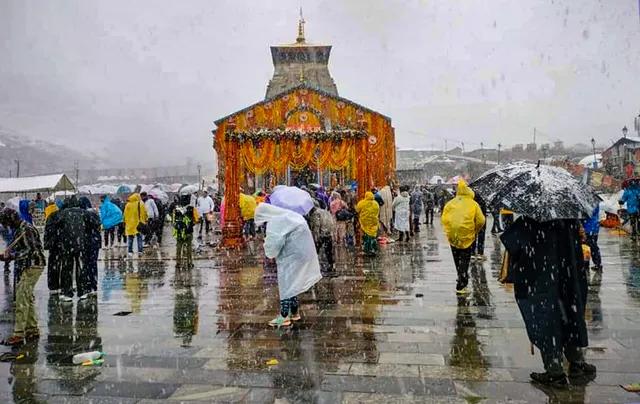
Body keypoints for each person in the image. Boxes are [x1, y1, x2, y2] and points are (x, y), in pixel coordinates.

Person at [501, 217, 595, 387]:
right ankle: (577, 363)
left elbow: (511, 242)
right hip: (568, 279)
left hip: (541, 280)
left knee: (547, 322)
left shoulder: (529, 222)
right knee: (570, 317)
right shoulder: (570, 221)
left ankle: (555, 372)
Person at [255, 203, 322, 327]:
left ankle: (284, 316)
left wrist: (268, 250)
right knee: (293, 283)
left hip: (289, 256)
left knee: (286, 285)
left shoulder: (275, 221)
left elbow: (275, 242)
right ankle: (295, 312)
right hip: (301, 254)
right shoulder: (288, 216)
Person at [0, 208, 46, 345]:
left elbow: (30, 250)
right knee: (27, 296)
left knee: (21, 297)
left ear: (12, 220)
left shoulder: (26, 230)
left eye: (7, 223)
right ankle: (32, 329)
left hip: (33, 265)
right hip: (30, 265)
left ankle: (19, 334)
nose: (7, 227)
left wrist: (12, 256)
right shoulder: (22, 228)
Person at [442, 181, 486, 294]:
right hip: (467, 235)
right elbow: (481, 220)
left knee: (456, 256)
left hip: (453, 235)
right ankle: (461, 284)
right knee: (464, 258)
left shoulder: (450, 203)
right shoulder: (473, 204)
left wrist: (449, 230)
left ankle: (460, 276)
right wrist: (475, 230)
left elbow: (444, 218)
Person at [308, 201, 336, 272]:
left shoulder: (315, 213)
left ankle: (313, 267)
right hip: (328, 234)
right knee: (328, 251)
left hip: (321, 234)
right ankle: (331, 265)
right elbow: (331, 222)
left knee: (315, 251)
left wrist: (316, 236)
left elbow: (317, 225)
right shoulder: (325, 212)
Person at [172, 195, 199, 269]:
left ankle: (178, 263)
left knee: (179, 246)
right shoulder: (192, 209)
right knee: (189, 246)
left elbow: (173, 220)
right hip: (188, 231)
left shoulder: (176, 209)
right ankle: (189, 263)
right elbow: (196, 220)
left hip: (179, 231)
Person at [123, 194, 148, 258]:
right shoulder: (141, 204)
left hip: (130, 224)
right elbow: (144, 213)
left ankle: (130, 251)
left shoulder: (128, 205)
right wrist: (145, 220)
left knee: (130, 238)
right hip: (138, 224)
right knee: (139, 238)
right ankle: (140, 251)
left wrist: (124, 221)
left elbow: (125, 214)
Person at [583, 205, 602, 272]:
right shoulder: (591, 201)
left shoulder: (589, 203)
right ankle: (591, 263)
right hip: (592, 227)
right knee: (588, 246)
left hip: (590, 228)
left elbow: (590, 213)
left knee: (592, 246)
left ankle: (597, 263)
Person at [471, 193, 488, 261]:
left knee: (473, 236)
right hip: (481, 221)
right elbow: (483, 212)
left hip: (473, 220)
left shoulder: (472, 200)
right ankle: (480, 253)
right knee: (481, 236)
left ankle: (472, 252)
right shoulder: (482, 200)